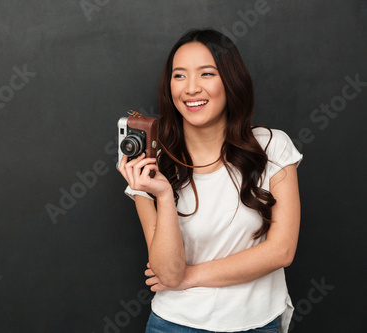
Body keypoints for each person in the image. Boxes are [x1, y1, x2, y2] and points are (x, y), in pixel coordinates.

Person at [118, 29, 302, 333]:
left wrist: (188, 276)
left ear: (231, 81)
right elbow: (166, 271)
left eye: (207, 73)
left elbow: (281, 250)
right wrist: (162, 195)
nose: (191, 88)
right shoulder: (151, 165)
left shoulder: (272, 147)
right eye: (179, 76)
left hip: (257, 323)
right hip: (175, 324)